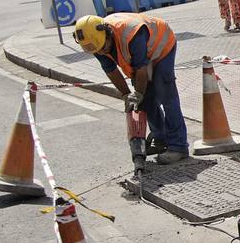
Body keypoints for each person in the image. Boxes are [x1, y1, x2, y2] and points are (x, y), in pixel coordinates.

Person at [73, 13, 189, 164]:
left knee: (166, 94)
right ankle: (161, 139)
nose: (101, 53)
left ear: (107, 34)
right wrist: (126, 95)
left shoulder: (132, 33)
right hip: (142, 57)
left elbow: (141, 69)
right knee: (146, 101)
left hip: (162, 47)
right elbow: (111, 70)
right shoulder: (95, 43)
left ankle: (179, 146)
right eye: (98, 51)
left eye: (103, 48)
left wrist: (138, 93)